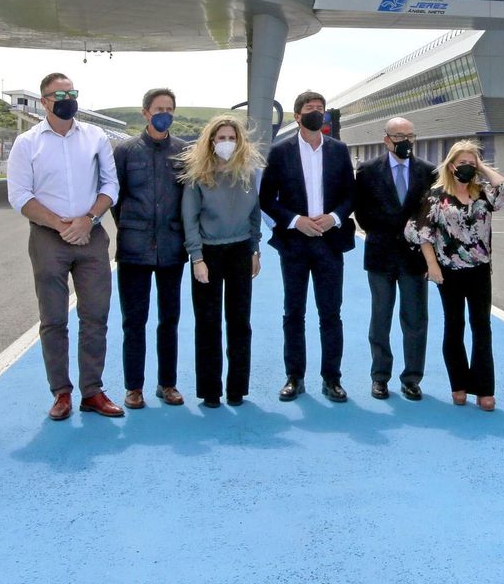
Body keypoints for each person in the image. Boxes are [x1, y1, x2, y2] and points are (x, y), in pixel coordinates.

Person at [9, 73, 123, 421]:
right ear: (44, 101)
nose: (66, 98)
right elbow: (20, 196)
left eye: (71, 92)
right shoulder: (27, 143)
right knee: (54, 319)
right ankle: (61, 392)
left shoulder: (95, 136)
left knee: (95, 316)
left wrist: (87, 219)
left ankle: (93, 391)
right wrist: (61, 225)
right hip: (48, 236)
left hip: (90, 234)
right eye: (58, 94)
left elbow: (110, 184)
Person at [259, 91, 356, 403]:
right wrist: (295, 220)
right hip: (295, 244)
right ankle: (295, 377)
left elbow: (350, 195)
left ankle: (332, 379)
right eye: (310, 109)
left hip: (330, 244)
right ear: (297, 116)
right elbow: (266, 199)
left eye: (321, 109)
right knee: (294, 313)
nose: (317, 113)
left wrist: (335, 217)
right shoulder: (279, 152)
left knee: (331, 314)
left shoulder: (339, 151)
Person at [406, 141, 504, 411]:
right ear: (451, 165)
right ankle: (459, 385)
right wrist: (433, 266)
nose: (466, 167)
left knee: (481, 327)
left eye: (471, 163)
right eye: (462, 163)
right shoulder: (436, 195)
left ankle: (484, 389)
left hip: (479, 271)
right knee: (454, 327)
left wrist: (482, 167)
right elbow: (423, 233)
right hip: (448, 272)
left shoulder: (482, 194)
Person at [180, 114, 264, 409]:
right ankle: (210, 390)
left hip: (240, 251)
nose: (227, 143)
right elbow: (189, 219)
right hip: (209, 254)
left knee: (240, 322)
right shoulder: (197, 175)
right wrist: (197, 258)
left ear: (239, 141)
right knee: (208, 322)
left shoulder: (248, 174)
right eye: (221, 138)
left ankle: (237, 388)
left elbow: (255, 215)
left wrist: (255, 250)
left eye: (232, 138)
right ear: (211, 141)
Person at [113, 87, 188, 410]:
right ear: (145, 113)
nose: (165, 114)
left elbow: (188, 198)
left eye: (170, 109)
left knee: (169, 319)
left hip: (172, 247)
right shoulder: (126, 151)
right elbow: (115, 198)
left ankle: (167, 384)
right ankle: (134, 388)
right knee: (134, 321)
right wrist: (133, 226)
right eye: (159, 108)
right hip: (134, 248)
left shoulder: (184, 151)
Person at [352, 117, 436, 400]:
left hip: (415, 258)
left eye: (410, 135)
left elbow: (431, 214)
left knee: (415, 320)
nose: (405, 141)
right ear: (386, 139)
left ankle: (412, 378)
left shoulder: (428, 171)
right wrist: (382, 231)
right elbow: (361, 212)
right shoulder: (366, 171)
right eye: (399, 135)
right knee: (380, 318)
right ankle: (380, 377)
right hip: (380, 254)